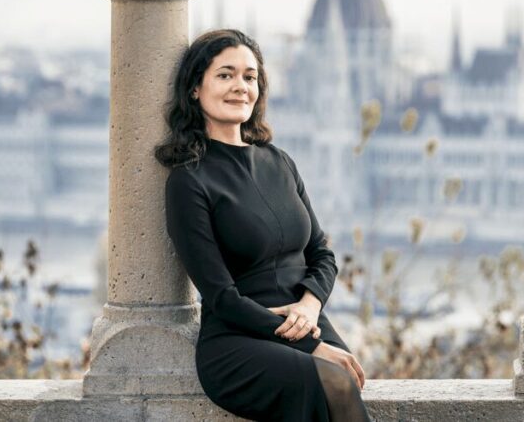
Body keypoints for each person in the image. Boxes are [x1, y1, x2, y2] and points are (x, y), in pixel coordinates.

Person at [155, 29, 371, 422]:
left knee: (346, 382)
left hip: (304, 319)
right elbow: (220, 297)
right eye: (225, 75)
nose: (241, 86)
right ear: (194, 90)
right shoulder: (189, 181)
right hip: (238, 339)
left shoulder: (279, 162)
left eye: (250, 77)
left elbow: (322, 254)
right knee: (335, 382)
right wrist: (305, 343)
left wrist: (310, 304)